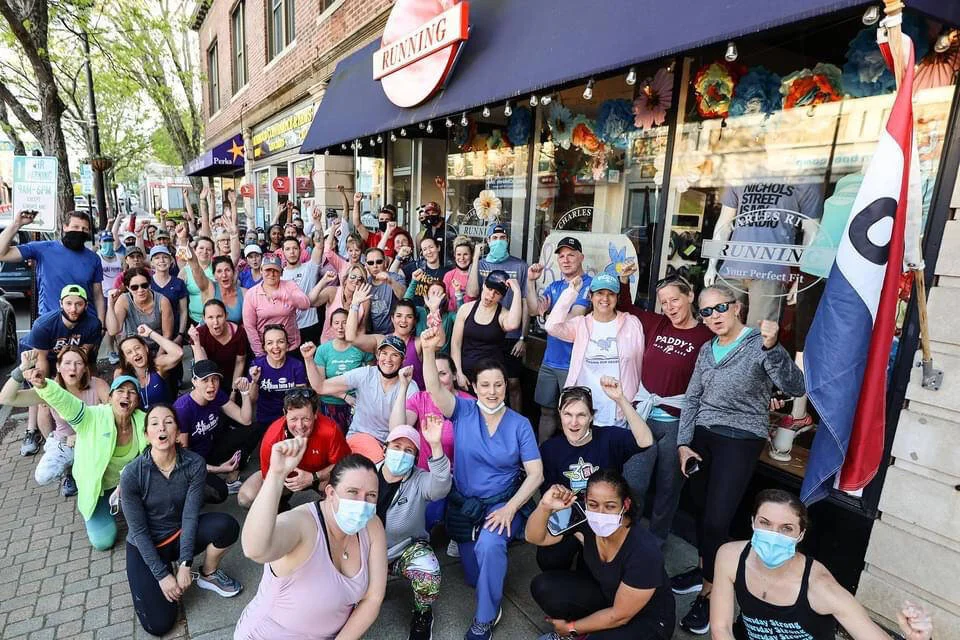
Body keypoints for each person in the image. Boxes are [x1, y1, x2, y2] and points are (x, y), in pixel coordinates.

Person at [673, 284, 805, 635]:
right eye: (706, 312)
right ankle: (705, 569)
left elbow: (796, 387)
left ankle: (711, 593)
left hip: (740, 438)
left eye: (720, 308)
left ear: (736, 308)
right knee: (700, 512)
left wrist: (773, 347)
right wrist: (683, 443)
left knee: (717, 520)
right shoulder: (707, 349)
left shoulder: (759, 342)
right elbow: (692, 398)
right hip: (703, 437)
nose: (714, 316)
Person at [420, 326, 543, 640]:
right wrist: (429, 351)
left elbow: (536, 474)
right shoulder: (462, 410)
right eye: (485, 385)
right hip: (465, 506)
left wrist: (510, 509)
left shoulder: (520, 424)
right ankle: (488, 564)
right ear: (473, 386)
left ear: (505, 386)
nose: (492, 391)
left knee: (490, 545)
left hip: (501, 504)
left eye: (498, 384)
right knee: (475, 578)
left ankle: (485, 617)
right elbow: (434, 388)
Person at [711, 489, 934, 640]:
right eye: (765, 523)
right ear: (753, 522)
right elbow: (721, 628)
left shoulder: (822, 588)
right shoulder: (730, 557)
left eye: (786, 528)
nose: (773, 535)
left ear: (800, 535)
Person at [235, 450, 387, 639]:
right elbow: (255, 549)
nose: (362, 503)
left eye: (371, 495)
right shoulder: (303, 524)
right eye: (353, 492)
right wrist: (276, 475)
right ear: (331, 493)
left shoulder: (372, 525)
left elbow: (373, 598)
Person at [122, 404, 242, 637]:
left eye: (168, 422)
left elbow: (190, 515)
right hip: (146, 543)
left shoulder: (194, 464)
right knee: (159, 625)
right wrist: (161, 575)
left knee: (227, 526)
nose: (162, 427)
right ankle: (162, 570)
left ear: (177, 432)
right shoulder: (132, 474)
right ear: (146, 435)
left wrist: (186, 564)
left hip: (178, 535)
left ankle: (208, 574)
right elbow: (138, 531)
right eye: (154, 423)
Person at [616, 268, 713, 544]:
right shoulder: (658, 324)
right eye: (664, 302)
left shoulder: (706, 336)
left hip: (677, 422)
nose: (670, 307)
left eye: (675, 300)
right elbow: (627, 307)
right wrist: (624, 280)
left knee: (669, 489)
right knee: (633, 483)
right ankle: (628, 537)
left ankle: (656, 542)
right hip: (643, 417)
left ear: (690, 296)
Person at [526, 472, 676, 640]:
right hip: (610, 597)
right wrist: (544, 507)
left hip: (648, 620)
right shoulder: (583, 517)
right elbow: (536, 537)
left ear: (625, 504)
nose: (600, 513)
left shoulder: (644, 551)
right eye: (593, 504)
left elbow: (620, 616)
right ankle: (588, 630)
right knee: (544, 586)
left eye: (610, 506)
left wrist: (571, 628)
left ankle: (580, 633)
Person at [26, 368, 149, 550]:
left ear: (137, 401)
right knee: (103, 542)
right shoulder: (93, 416)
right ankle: (98, 509)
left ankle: (129, 505)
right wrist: (45, 386)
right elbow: (68, 403)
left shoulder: (144, 421)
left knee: (154, 524)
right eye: (120, 391)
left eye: (132, 392)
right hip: (97, 489)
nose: (126, 395)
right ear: (109, 398)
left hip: (128, 486)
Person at [537, 381, 653, 572]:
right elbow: (547, 495)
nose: (574, 422)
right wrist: (577, 531)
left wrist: (620, 399)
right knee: (549, 559)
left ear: (591, 416)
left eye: (581, 415)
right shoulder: (550, 448)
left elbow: (646, 440)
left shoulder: (609, 438)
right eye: (568, 414)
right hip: (570, 515)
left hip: (604, 514)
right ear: (560, 415)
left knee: (594, 568)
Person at [1, 348, 109, 496]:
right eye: (67, 363)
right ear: (58, 367)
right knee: (43, 475)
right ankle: (69, 472)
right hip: (65, 442)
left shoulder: (98, 385)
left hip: (95, 439)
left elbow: (113, 415)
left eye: (78, 363)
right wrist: (22, 368)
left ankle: (84, 472)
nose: (72, 368)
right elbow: (6, 398)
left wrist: (82, 436)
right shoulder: (50, 388)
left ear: (85, 368)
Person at [378, 422, 451, 640]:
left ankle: (423, 615)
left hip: (404, 550)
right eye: (396, 447)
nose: (401, 454)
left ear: (415, 458)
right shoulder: (367, 473)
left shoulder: (419, 479)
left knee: (428, 572)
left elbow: (441, 487)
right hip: (365, 552)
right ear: (385, 448)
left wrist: (436, 446)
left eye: (409, 450)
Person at [545, 273, 644, 427]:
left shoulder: (632, 323)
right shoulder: (581, 324)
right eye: (600, 293)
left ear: (617, 298)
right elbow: (551, 326)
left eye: (611, 294)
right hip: (585, 410)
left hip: (620, 411)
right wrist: (571, 293)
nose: (605, 298)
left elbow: (640, 364)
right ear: (590, 296)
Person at [304, 336, 419, 459]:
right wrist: (308, 359)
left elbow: (397, 430)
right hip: (359, 437)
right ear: (378, 355)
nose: (388, 359)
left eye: (395, 355)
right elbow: (320, 387)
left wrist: (403, 387)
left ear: (403, 359)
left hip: (389, 445)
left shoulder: (411, 387)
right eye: (384, 353)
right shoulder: (365, 374)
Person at [526, 237, 593, 442]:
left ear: (581, 257)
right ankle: (543, 455)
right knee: (546, 411)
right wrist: (530, 281)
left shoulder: (588, 284)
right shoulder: (554, 285)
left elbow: (574, 317)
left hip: (572, 364)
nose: (566, 260)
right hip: (549, 360)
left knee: (573, 415)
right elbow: (533, 310)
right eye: (562, 256)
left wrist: (548, 315)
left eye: (571, 255)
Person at [238, 390, 352, 509]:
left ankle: (328, 512)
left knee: (345, 493)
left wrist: (314, 477)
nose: (300, 426)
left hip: (319, 476)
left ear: (315, 414)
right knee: (247, 498)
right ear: (285, 414)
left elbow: (344, 465)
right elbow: (269, 480)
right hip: (286, 478)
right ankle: (281, 510)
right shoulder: (272, 438)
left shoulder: (330, 430)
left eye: (306, 419)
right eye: (293, 419)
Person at [174, 360, 259, 502]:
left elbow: (245, 420)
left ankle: (232, 475)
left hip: (210, 448)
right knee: (219, 493)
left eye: (215, 379)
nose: (211, 385)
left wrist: (244, 393)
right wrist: (219, 469)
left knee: (254, 429)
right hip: (192, 461)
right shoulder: (182, 409)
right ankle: (188, 490)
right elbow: (184, 458)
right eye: (205, 380)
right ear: (194, 382)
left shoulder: (217, 394)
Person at [466, 223, 530, 410]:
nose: (499, 241)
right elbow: (472, 292)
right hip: (487, 333)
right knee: (488, 383)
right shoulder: (481, 264)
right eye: (494, 238)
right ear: (488, 241)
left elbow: (525, 303)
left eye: (502, 238)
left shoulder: (520, 266)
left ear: (508, 240)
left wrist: (523, 337)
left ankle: (516, 420)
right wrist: (476, 257)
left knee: (513, 383)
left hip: (512, 334)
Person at [0, 209, 106, 322]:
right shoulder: (43, 249)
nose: (80, 231)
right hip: (51, 322)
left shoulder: (93, 259)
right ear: (65, 227)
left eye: (84, 229)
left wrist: (100, 324)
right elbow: (2, 254)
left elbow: (98, 295)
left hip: (84, 322)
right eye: (75, 227)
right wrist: (17, 224)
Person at [451, 271, 523, 390]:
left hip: (491, 379)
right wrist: (458, 372)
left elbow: (514, 324)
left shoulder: (502, 315)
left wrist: (517, 292)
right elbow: (456, 344)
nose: (490, 295)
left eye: (497, 293)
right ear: (484, 285)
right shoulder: (465, 309)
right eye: (489, 289)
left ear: (501, 297)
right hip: (466, 374)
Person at [346, 290, 425, 388]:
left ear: (414, 321)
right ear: (392, 318)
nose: (403, 320)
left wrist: (434, 311)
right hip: (384, 396)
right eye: (399, 316)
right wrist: (355, 305)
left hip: (412, 396)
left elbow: (439, 343)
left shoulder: (419, 343)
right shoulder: (381, 341)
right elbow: (351, 338)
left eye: (409, 317)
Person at [312, 308, 372, 433]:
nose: (340, 327)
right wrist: (344, 396)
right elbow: (320, 383)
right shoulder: (323, 350)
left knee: (355, 439)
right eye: (336, 323)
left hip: (357, 403)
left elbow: (371, 375)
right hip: (331, 402)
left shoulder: (361, 347)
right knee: (334, 437)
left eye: (345, 323)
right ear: (331, 326)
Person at [242, 254, 312, 357]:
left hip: (290, 346)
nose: (272, 274)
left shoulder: (290, 285)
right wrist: (260, 353)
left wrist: (282, 295)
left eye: (275, 270)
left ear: (281, 272)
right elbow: (249, 327)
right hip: (266, 349)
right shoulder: (252, 294)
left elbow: (305, 304)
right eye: (268, 270)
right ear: (261, 270)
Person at [251, 325, 308, 427]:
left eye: (280, 342)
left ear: (287, 345)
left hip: (291, 419)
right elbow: (252, 399)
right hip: (265, 419)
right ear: (264, 347)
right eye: (270, 343)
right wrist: (255, 381)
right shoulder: (257, 365)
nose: (276, 346)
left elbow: (302, 399)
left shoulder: (297, 365)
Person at [115, 328, 184, 410]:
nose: (135, 353)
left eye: (137, 348)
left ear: (146, 348)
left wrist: (150, 333)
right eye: (129, 352)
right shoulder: (121, 374)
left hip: (165, 415)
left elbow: (178, 353)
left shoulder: (158, 365)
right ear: (126, 359)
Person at [189, 299, 249, 389]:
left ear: (226, 316)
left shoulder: (239, 333)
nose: (215, 322)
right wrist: (196, 342)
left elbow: (240, 363)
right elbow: (203, 369)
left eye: (219, 316)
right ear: (204, 319)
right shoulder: (198, 334)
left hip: (233, 378)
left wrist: (234, 391)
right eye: (210, 317)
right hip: (209, 379)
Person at [107, 268, 174, 347]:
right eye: (134, 287)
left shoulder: (162, 301)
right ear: (128, 288)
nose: (140, 290)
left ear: (149, 284)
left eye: (144, 285)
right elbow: (113, 331)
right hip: (132, 347)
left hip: (158, 346)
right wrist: (110, 304)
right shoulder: (124, 300)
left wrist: (159, 354)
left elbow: (167, 335)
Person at [281, 235, 325, 345]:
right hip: (289, 328)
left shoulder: (309, 268)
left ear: (300, 250)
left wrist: (317, 225)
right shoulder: (279, 276)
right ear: (283, 252)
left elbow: (319, 247)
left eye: (295, 248)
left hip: (310, 325)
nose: (292, 252)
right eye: (288, 249)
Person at [183, 251, 246, 325]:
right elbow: (196, 267)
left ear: (233, 272)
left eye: (227, 270)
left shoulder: (244, 293)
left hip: (233, 332)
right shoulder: (209, 288)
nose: (224, 275)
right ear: (214, 275)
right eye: (219, 271)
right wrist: (186, 245)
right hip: (207, 331)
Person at [315, 264, 369, 343]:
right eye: (353, 277)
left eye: (360, 279)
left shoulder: (365, 301)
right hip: (328, 342)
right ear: (345, 279)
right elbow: (312, 302)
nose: (356, 281)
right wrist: (323, 281)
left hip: (350, 344)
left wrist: (356, 347)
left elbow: (362, 328)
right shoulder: (332, 292)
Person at [149, 246, 189, 348]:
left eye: (165, 257)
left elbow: (183, 311)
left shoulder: (178, 283)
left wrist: (180, 334)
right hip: (152, 334)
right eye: (157, 258)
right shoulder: (147, 283)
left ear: (171, 260)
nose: (161, 260)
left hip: (174, 332)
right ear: (152, 262)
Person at [362, 246, 406, 334]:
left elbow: (404, 296)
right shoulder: (365, 283)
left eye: (379, 262)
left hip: (394, 332)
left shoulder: (395, 278)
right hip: (372, 334)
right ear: (366, 265)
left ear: (385, 262)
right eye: (371, 263)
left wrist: (390, 281)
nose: (375, 266)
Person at [177, 228, 215, 324]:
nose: (205, 251)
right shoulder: (185, 271)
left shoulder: (217, 269)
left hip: (215, 319)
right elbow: (182, 258)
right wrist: (182, 239)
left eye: (208, 249)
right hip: (193, 320)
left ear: (213, 253)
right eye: (201, 248)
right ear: (194, 250)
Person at [403, 236, 451, 308]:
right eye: (425, 249)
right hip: (414, 311)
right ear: (422, 253)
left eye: (431, 247)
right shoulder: (415, 268)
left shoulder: (447, 273)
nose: (428, 252)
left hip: (436, 311)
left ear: (438, 248)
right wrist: (399, 256)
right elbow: (393, 274)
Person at [443, 235, 476, 311]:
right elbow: (444, 301)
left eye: (465, 254)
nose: (462, 258)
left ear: (471, 255)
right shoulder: (449, 276)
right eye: (459, 254)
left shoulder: (476, 276)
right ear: (454, 255)